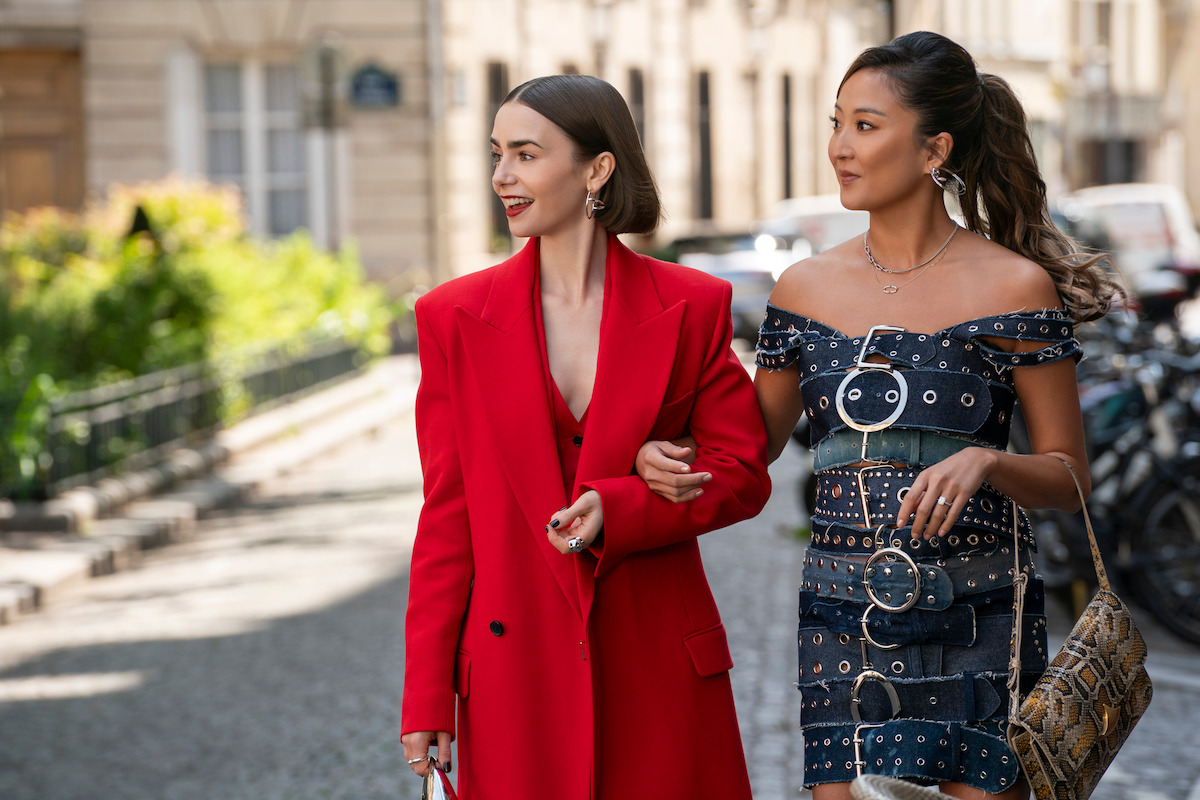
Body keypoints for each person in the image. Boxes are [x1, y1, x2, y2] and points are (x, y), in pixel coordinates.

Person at [636, 31, 1121, 800]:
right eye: (836, 123)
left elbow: (1068, 476)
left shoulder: (1016, 286)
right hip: (841, 617)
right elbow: (748, 448)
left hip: (984, 612)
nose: (839, 147)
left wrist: (988, 461)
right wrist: (661, 454)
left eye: (865, 125)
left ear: (935, 150)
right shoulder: (801, 289)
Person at [400, 74, 772, 800]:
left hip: (658, 664)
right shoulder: (452, 318)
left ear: (597, 169)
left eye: (527, 154)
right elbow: (448, 514)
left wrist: (625, 505)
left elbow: (743, 472)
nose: (502, 176)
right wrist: (426, 692)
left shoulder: (692, 306)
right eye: (497, 153)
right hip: (514, 677)